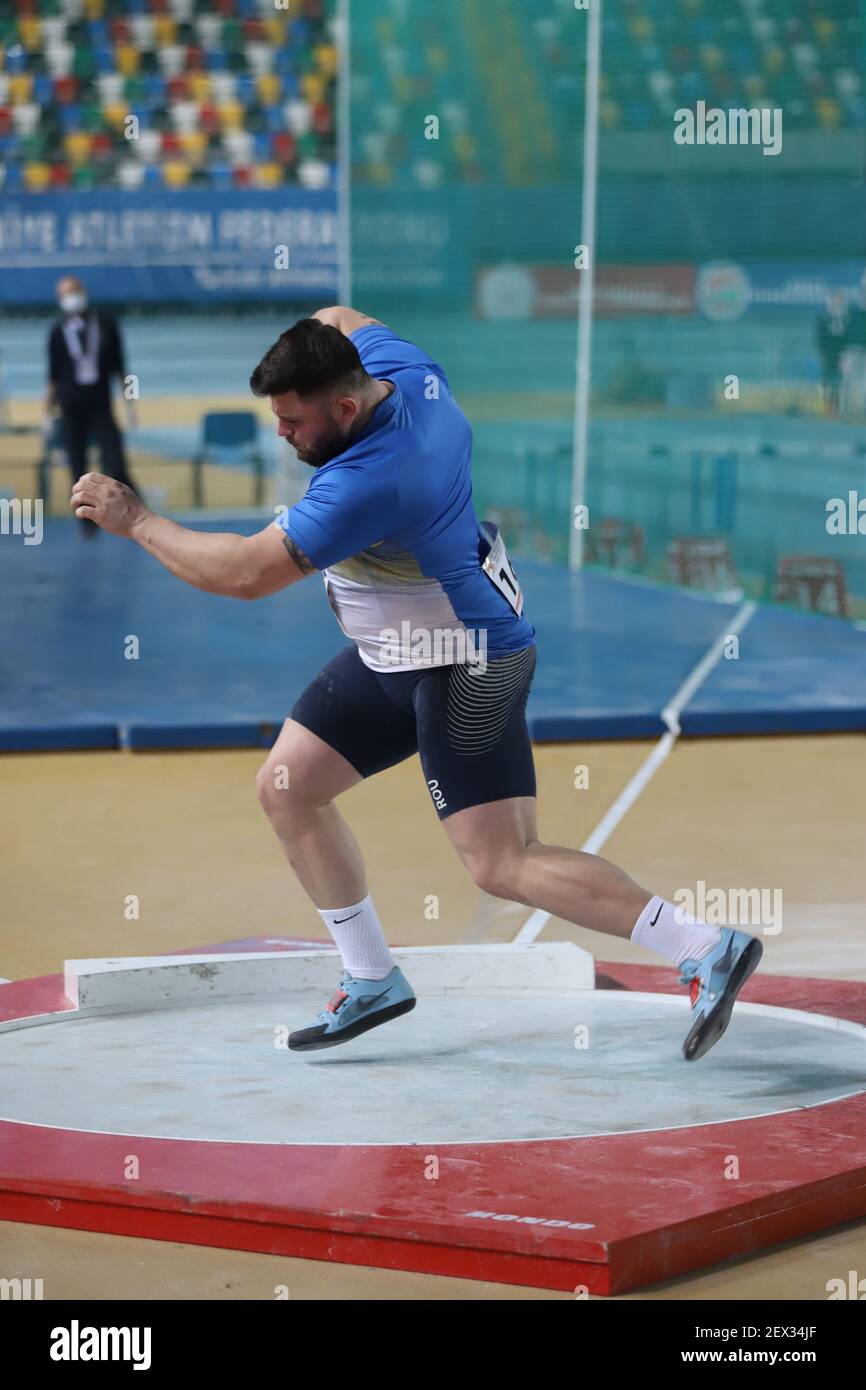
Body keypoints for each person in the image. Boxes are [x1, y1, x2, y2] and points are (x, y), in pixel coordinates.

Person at [69, 307, 762, 1061]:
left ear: (344, 408)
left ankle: (706, 946)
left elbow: (241, 575)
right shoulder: (399, 371)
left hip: (467, 663)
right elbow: (338, 315)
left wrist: (135, 518)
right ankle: (371, 977)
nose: (282, 434)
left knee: (502, 863)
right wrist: (304, 347)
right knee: (287, 787)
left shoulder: (375, 479)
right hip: (393, 652)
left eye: (294, 421)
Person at [47, 276, 140, 536]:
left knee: (116, 462)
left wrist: (131, 403)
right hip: (70, 409)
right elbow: (52, 377)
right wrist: (47, 414)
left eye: (73, 292)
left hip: (101, 407)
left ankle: (138, 512)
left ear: (83, 292)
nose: (70, 298)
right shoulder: (57, 330)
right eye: (64, 294)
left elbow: (124, 369)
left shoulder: (107, 324)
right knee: (78, 467)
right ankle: (86, 523)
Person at [815, 291, 850, 414]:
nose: (838, 303)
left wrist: (846, 355)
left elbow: (848, 338)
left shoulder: (847, 319)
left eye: (840, 300)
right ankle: (827, 405)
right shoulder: (824, 319)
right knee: (827, 381)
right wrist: (822, 353)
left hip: (843, 357)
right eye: (835, 300)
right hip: (828, 356)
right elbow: (820, 338)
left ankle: (837, 407)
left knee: (839, 383)